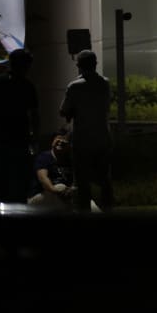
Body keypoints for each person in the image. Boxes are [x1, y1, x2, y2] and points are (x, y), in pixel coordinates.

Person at [0, 48, 40, 204]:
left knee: (0, 180)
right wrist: (35, 138)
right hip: (19, 139)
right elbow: (34, 115)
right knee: (19, 182)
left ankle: (0, 213)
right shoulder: (27, 86)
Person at [60, 49, 114, 213]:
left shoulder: (74, 86)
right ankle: (108, 211)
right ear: (95, 64)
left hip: (82, 140)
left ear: (79, 66)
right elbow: (106, 107)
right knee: (104, 179)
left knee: (82, 181)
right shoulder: (104, 83)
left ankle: (84, 213)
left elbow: (63, 110)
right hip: (102, 138)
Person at [27, 131, 75, 209]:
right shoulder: (44, 157)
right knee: (60, 187)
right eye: (58, 139)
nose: (61, 142)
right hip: (38, 197)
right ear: (52, 142)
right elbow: (43, 179)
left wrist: (70, 191)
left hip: (61, 197)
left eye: (64, 140)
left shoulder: (69, 161)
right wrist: (56, 191)